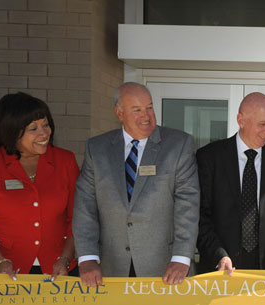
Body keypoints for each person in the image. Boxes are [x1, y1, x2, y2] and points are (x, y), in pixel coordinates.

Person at [73, 82, 200, 286]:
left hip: (166, 269)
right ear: (119, 113)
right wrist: (87, 257)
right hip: (110, 268)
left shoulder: (178, 145)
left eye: (149, 107)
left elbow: (188, 206)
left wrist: (181, 258)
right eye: (137, 110)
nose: (146, 115)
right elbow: (85, 207)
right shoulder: (97, 149)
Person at [0, 92, 78, 279]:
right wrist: (0, 260)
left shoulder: (65, 161)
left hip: (58, 269)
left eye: (46, 125)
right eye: (33, 128)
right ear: (12, 131)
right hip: (2, 269)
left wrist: (65, 259)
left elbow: (78, 218)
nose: (44, 133)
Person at [196, 92, 265, 273]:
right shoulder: (210, 158)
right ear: (241, 120)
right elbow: (199, 216)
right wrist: (218, 254)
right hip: (221, 269)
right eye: (262, 124)